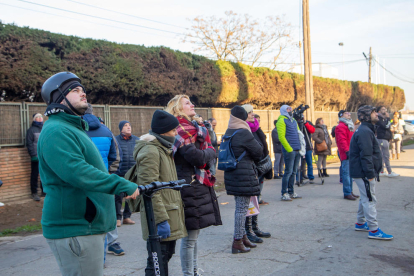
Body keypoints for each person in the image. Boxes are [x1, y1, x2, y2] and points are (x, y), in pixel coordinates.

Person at [38, 72, 139, 275]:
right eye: (75, 90)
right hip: (75, 226)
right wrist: (119, 184)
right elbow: (77, 172)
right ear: (59, 98)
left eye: (82, 90)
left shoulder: (72, 128)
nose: (83, 93)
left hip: (85, 224)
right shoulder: (57, 130)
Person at [165, 95, 222, 276]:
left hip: (196, 185)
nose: (193, 105)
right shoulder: (179, 130)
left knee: (194, 237)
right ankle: (189, 273)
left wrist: (208, 149)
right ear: (177, 108)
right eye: (187, 103)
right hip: (188, 186)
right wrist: (211, 150)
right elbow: (197, 158)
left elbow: (201, 154)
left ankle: (194, 270)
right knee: (190, 238)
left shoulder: (195, 129)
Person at [126, 110, 187, 276]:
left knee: (164, 258)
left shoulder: (162, 148)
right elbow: (149, 188)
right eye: (174, 130)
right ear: (164, 131)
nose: (176, 133)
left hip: (169, 211)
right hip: (159, 216)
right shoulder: (151, 151)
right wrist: (160, 220)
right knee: (156, 263)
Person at [83, 104, 126, 258]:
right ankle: (113, 243)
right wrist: (109, 173)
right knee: (108, 210)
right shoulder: (106, 130)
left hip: (84, 180)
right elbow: (116, 155)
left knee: (88, 214)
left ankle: (95, 253)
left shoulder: (75, 130)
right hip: (104, 178)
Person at [222, 106, 263, 253]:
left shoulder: (229, 130)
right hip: (243, 174)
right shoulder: (244, 132)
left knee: (241, 207)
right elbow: (258, 151)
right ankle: (237, 241)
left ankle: (243, 236)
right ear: (243, 117)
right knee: (241, 209)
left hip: (232, 173)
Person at [350, 105, 393, 240]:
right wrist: (370, 174)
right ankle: (374, 230)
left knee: (365, 197)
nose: (377, 115)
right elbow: (366, 155)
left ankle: (360, 223)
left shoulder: (366, 129)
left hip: (362, 171)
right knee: (370, 199)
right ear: (367, 116)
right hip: (364, 172)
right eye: (374, 113)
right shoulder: (364, 131)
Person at [241, 106, 271, 244]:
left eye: (253, 112)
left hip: (260, 167)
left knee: (256, 198)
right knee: (250, 201)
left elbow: (263, 145)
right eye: (250, 113)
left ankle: (255, 227)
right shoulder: (243, 129)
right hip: (251, 168)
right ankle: (248, 230)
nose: (253, 115)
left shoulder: (255, 127)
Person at [114, 120, 139, 227]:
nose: (128, 127)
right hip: (120, 171)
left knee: (131, 194)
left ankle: (127, 217)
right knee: (118, 196)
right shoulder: (115, 140)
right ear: (121, 129)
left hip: (132, 172)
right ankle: (117, 218)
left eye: (129, 125)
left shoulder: (137, 140)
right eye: (125, 126)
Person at [276, 105, 302, 201]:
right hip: (289, 151)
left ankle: (291, 192)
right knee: (288, 172)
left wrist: (300, 147)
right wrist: (289, 149)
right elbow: (281, 137)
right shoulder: (281, 120)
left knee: (294, 172)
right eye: (288, 109)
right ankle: (284, 193)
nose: (290, 110)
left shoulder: (294, 121)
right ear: (283, 110)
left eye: (290, 108)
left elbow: (299, 134)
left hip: (297, 149)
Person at [335, 110, 359, 200]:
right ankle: (347, 192)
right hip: (346, 153)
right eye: (346, 113)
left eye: (349, 113)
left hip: (351, 152)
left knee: (351, 174)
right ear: (341, 116)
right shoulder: (340, 126)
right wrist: (347, 151)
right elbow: (342, 140)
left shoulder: (349, 125)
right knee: (346, 173)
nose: (349, 114)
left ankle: (350, 191)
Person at [375, 106, 399, 177]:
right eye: (383, 109)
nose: (385, 110)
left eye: (385, 109)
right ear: (379, 111)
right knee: (386, 155)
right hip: (382, 138)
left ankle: (382, 171)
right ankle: (389, 172)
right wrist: (388, 118)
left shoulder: (384, 118)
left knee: (383, 155)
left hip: (385, 138)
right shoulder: (379, 118)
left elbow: (389, 125)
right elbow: (385, 126)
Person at [26, 113, 44, 201]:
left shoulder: (45, 129)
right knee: (35, 174)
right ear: (34, 119)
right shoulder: (31, 130)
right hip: (36, 157)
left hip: (45, 156)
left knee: (44, 174)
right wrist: (33, 155)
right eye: (38, 117)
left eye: (41, 117)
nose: (40, 118)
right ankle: (34, 192)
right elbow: (29, 144)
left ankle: (44, 191)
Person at [297, 120, 315, 184]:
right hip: (299, 147)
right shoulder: (296, 123)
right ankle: (299, 178)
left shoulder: (308, 123)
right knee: (299, 164)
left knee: (309, 163)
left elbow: (312, 130)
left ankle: (311, 177)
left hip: (307, 146)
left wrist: (305, 123)